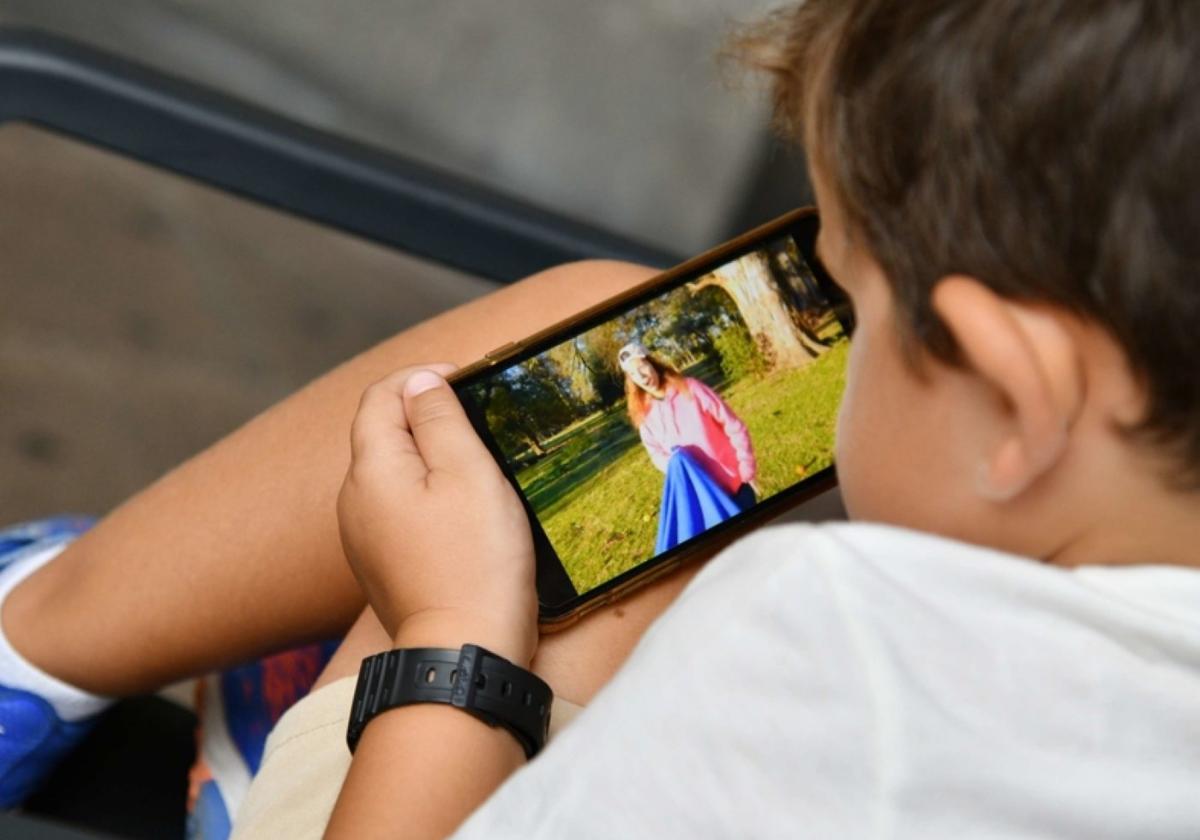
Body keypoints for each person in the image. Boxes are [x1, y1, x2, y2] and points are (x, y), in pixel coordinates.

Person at [2, 0, 1200, 837]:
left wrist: (449, 632)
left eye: (851, 296)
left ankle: (47, 638)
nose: (830, 341)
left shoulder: (831, 649)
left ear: (1016, 402)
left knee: (526, 495)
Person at [617, 341, 758, 552]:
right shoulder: (645, 416)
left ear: (652, 363)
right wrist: (679, 465)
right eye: (635, 374)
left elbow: (733, 425)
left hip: (734, 486)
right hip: (701, 499)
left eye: (643, 367)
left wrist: (746, 467)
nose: (643, 376)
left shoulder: (690, 389)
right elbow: (656, 454)